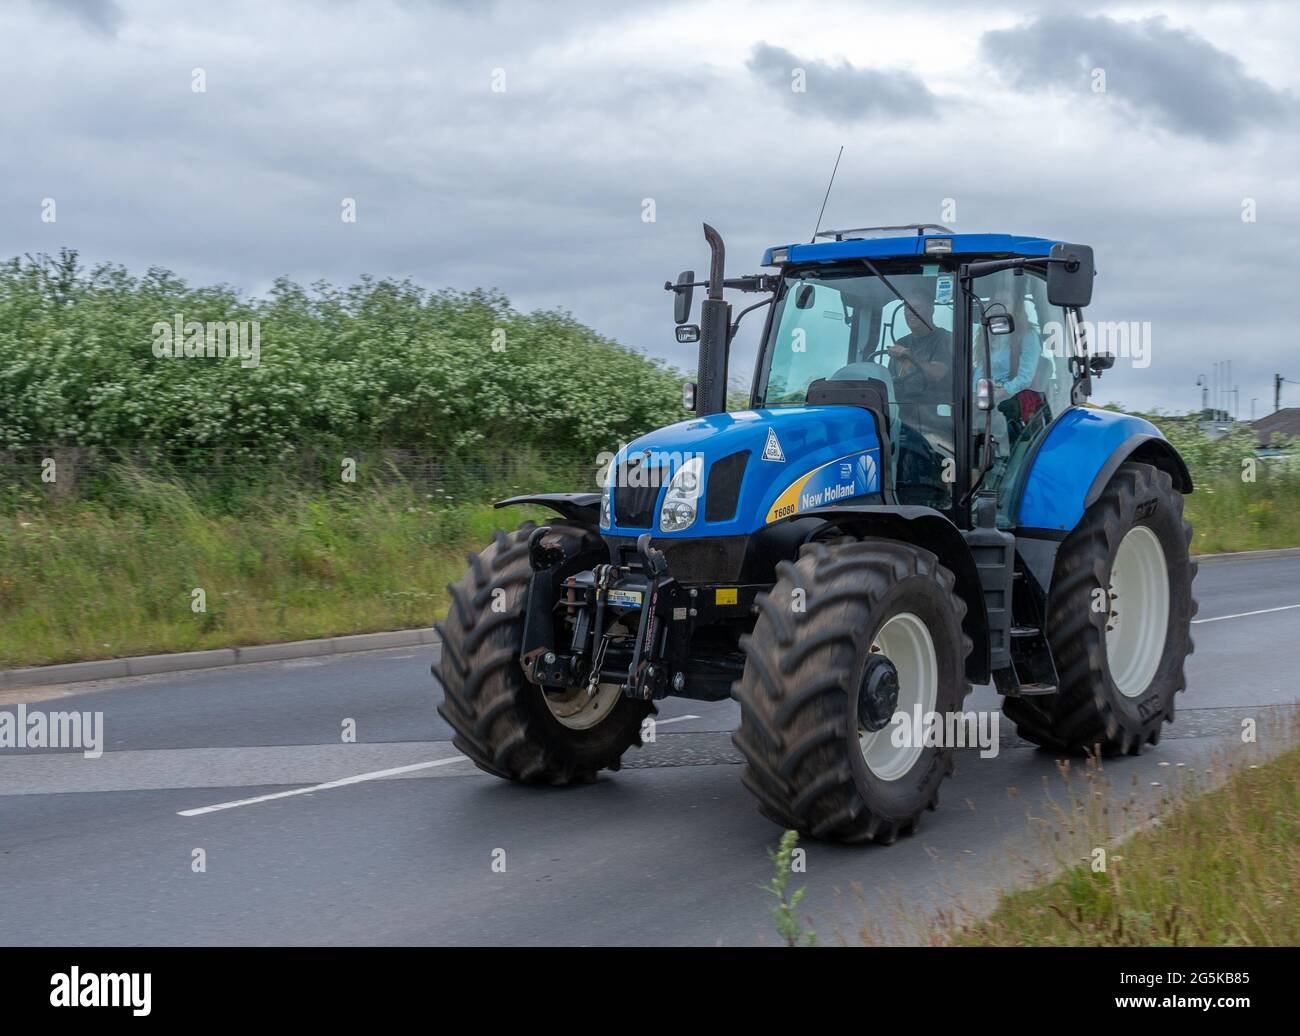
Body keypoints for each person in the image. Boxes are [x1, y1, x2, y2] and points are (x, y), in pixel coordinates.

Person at [887, 295, 952, 403]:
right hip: (902, 408)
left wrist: (911, 358)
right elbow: (893, 379)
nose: (909, 313)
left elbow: (938, 374)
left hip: (936, 410)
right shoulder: (902, 342)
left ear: (931, 310)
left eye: (916, 308)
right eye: (906, 309)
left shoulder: (945, 338)